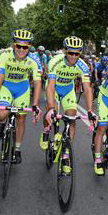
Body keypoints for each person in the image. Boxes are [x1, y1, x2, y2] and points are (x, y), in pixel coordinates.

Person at [0, 30, 42, 164]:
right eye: (18, 46)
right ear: (13, 45)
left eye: (25, 47)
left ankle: (17, 149)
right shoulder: (4, 54)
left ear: (29, 47)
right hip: (6, 86)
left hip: (22, 88)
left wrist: (35, 105)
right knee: (2, 113)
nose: (21, 50)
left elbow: (38, 82)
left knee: (21, 118)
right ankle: (0, 122)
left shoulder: (34, 59)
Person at [40, 36, 96, 164]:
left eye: (77, 53)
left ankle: (65, 154)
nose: (74, 56)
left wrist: (89, 110)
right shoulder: (55, 61)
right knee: (49, 111)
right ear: (65, 51)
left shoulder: (83, 66)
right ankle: (45, 131)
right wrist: (51, 108)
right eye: (70, 52)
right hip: (54, 88)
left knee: (72, 118)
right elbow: (51, 86)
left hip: (68, 90)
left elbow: (87, 89)